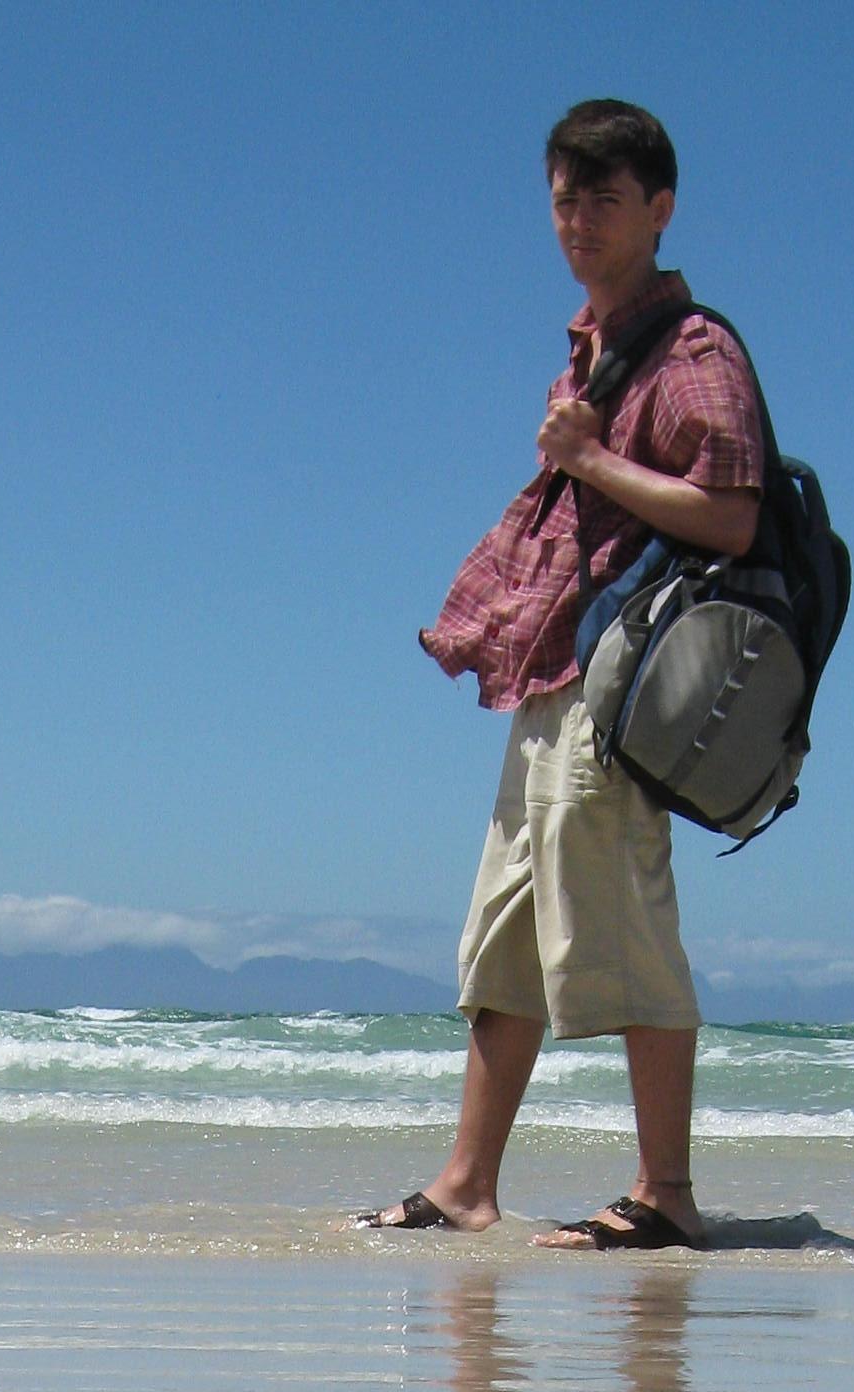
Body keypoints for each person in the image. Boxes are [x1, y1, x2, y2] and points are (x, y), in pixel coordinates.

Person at [361, 99, 764, 1251]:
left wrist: (588, 457)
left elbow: (732, 515)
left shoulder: (692, 353)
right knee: (505, 940)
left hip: (624, 685)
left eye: (606, 199)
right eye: (564, 199)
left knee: (622, 928)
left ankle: (666, 1192)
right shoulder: (597, 349)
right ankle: (466, 1183)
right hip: (554, 676)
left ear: (660, 209)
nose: (580, 220)